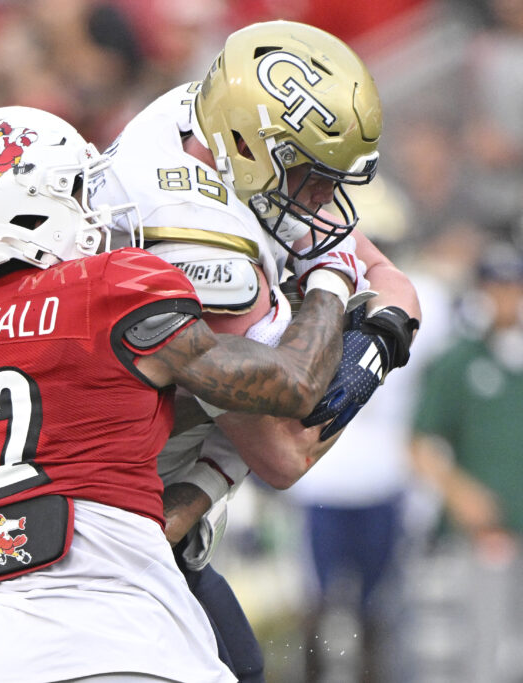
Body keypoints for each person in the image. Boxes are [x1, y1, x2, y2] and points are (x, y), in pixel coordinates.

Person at [0, 104, 366, 683]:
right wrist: (331, 277)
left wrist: (200, 487)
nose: (93, 206)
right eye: (75, 190)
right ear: (22, 208)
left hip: (13, 651)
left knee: (239, 658)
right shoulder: (106, 291)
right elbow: (292, 386)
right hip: (127, 639)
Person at [90, 20, 423, 681]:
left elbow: (396, 285)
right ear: (247, 147)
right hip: (113, 527)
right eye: (313, 177)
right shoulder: (200, 243)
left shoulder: (196, 115)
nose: (326, 202)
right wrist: (351, 313)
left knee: (240, 662)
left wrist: (381, 333)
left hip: (151, 505)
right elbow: (284, 448)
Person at [409, 241, 523, 682]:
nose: (505, 298)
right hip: (486, 532)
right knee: (483, 651)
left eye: (512, 287)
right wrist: (461, 493)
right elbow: (419, 442)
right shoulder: (460, 361)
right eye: (496, 288)